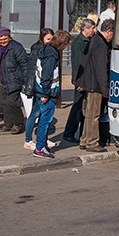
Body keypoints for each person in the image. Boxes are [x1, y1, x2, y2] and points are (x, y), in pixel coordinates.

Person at [28, 30, 70, 159]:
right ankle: (40, 148)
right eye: (66, 44)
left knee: (43, 119)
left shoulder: (46, 50)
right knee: (45, 120)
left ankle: (42, 146)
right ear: (62, 44)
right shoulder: (51, 55)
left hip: (43, 90)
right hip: (48, 92)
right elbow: (46, 76)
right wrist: (45, 94)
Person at [78, 19, 113, 153]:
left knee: (89, 114)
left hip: (90, 82)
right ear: (108, 31)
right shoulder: (100, 44)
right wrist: (105, 89)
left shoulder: (95, 40)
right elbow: (101, 69)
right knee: (94, 115)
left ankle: (85, 139)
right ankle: (92, 142)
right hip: (95, 85)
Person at [62, 17, 96, 144]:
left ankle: (81, 132)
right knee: (77, 107)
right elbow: (77, 64)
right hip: (81, 81)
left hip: (86, 79)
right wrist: (79, 82)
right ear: (85, 29)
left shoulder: (89, 40)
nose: (94, 30)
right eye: (92, 28)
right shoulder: (79, 43)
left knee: (83, 108)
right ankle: (69, 132)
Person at [0, 28, 29, 135]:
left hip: (14, 80)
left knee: (12, 103)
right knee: (3, 103)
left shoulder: (16, 48)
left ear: (9, 37)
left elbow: (24, 65)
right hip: (2, 80)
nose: (3, 41)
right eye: (1, 39)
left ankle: (18, 123)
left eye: (5, 39)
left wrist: (25, 81)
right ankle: (8, 124)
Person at [23, 28, 55, 147]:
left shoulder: (44, 49)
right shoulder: (38, 50)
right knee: (35, 114)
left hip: (40, 86)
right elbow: (33, 71)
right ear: (42, 38)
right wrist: (32, 88)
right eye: (48, 39)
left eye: (52, 39)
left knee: (41, 114)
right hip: (39, 87)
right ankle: (28, 140)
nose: (50, 41)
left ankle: (41, 139)